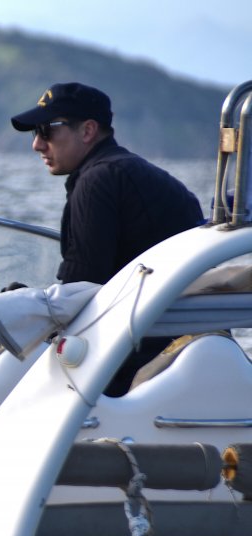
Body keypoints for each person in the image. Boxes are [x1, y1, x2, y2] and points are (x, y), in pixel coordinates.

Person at [11, 82, 205, 394]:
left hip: (128, 370)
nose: (37, 144)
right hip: (182, 355)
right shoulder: (147, 176)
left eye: (46, 130)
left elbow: (81, 291)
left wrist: (17, 306)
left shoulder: (96, 181)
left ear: (88, 131)